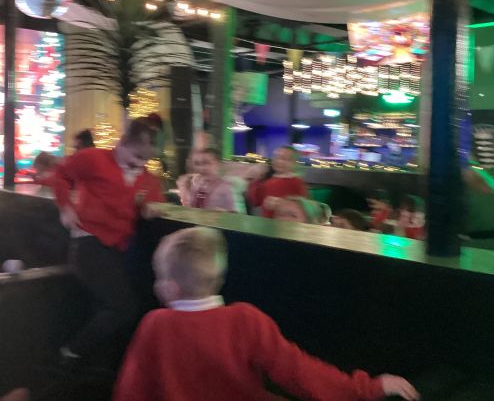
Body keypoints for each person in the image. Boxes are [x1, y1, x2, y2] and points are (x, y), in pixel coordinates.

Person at [114, 227, 419, 401]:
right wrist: (370, 387)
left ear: (169, 288)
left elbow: (131, 390)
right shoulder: (245, 320)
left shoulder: (155, 324)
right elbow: (300, 372)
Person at [52, 117, 165, 366]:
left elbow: (152, 203)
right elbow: (60, 174)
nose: (140, 164)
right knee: (123, 307)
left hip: (115, 249)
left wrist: (149, 208)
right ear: (122, 143)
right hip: (88, 243)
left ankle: (87, 362)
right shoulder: (94, 158)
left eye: (146, 159)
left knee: (108, 305)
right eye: (137, 156)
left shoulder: (148, 179)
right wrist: (65, 207)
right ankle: (71, 353)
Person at [247, 146, 308, 217]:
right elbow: (255, 201)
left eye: (285, 159)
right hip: (267, 221)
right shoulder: (268, 181)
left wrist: (281, 204)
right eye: (277, 157)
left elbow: (304, 208)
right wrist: (256, 178)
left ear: (294, 163)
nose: (279, 161)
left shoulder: (296, 182)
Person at [178, 148, 240, 212]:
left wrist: (222, 211)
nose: (202, 168)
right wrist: (184, 190)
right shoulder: (196, 183)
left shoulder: (224, 187)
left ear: (217, 164)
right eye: (199, 164)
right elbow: (190, 207)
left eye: (207, 163)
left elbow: (233, 212)